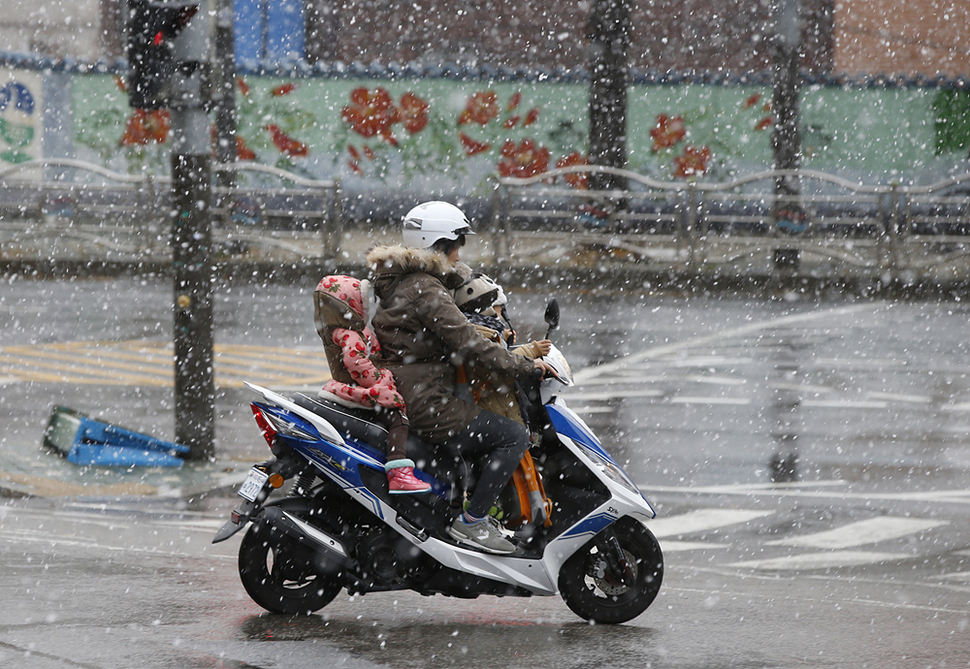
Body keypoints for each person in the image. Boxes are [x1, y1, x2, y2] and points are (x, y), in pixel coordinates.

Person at [366, 201, 555, 554]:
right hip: (425, 400)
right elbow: (467, 341)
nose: (460, 253)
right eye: (459, 243)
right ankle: (473, 523)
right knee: (512, 434)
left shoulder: (400, 282)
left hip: (405, 391)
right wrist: (525, 366)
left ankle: (458, 510)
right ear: (441, 243)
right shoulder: (425, 288)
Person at [313, 274, 431, 494]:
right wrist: (380, 382)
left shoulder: (343, 330)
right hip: (357, 389)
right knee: (398, 418)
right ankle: (398, 472)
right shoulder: (349, 334)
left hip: (348, 386)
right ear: (351, 304)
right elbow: (356, 363)